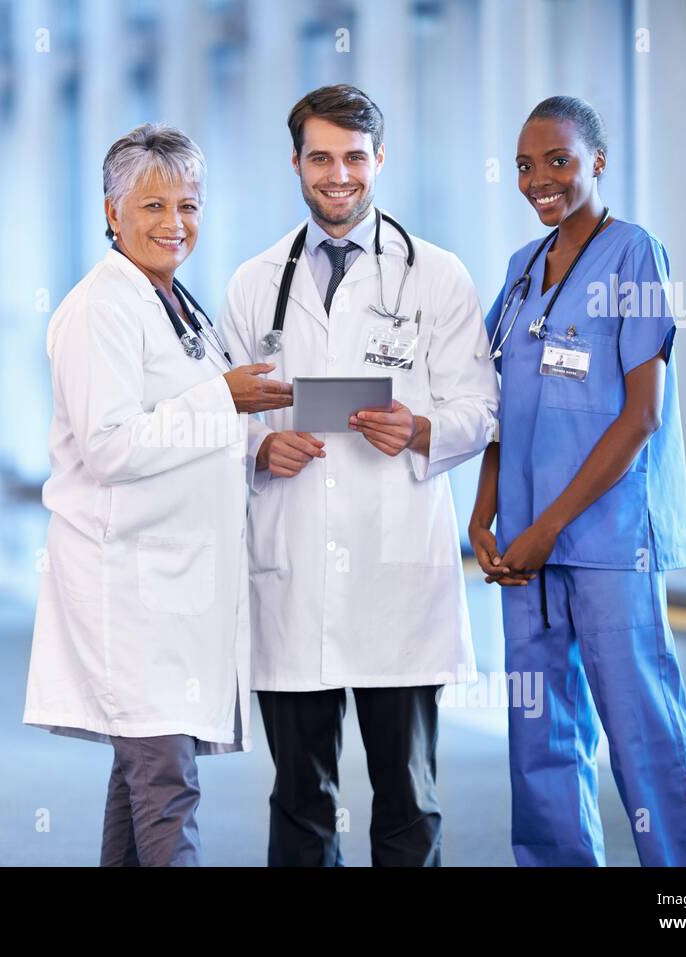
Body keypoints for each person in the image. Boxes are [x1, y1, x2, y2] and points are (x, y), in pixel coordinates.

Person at [218, 85, 499, 866]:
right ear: (296, 163)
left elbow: (481, 406)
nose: (337, 175)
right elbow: (222, 410)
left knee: (407, 794)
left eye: (353, 158)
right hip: (293, 567)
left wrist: (422, 430)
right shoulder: (253, 283)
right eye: (320, 158)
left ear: (380, 161)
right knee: (299, 796)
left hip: (395, 574)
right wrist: (255, 450)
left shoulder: (436, 276)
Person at [23, 123, 293, 866]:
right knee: (165, 783)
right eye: (152, 206)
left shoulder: (176, 305)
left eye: (190, 205)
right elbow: (111, 445)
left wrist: (259, 443)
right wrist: (222, 400)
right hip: (129, 588)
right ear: (112, 212)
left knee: (142, 778)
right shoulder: (97, 310)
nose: (175, 224)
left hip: (176, 584)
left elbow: (189, 424)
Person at [469, 95, 686, 866]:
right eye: (525, 167)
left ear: (597, 161)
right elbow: (502, 407)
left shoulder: (639, 255)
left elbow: (640, 417)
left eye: (560, 161)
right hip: (525, 551)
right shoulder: (520, 271)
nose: (541, 180)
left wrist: (543, 528)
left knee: (643, 736)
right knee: (540, 741)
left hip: (608, 546)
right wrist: (484, 513)